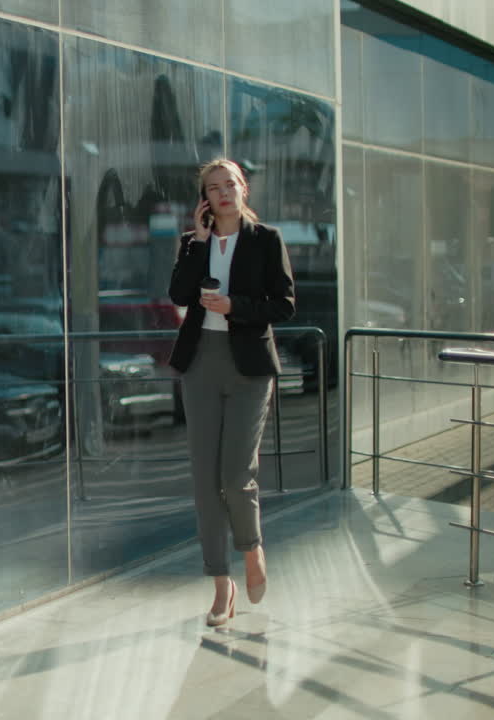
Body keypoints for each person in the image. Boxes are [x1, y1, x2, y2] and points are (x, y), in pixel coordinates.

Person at [167, 158, 295, 626]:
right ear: (204, 198)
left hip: (248, 366)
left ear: (243, 189)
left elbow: (283, 304)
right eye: (213, 187)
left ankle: (253, 550)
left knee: (237, 474)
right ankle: (222, 586)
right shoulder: (193, 243)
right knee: (205, 481)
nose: (222, 193)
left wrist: (234, 306)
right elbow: (179, 295)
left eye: (229, 184)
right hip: (200, 362)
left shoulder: (267, 241)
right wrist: (199, 245)